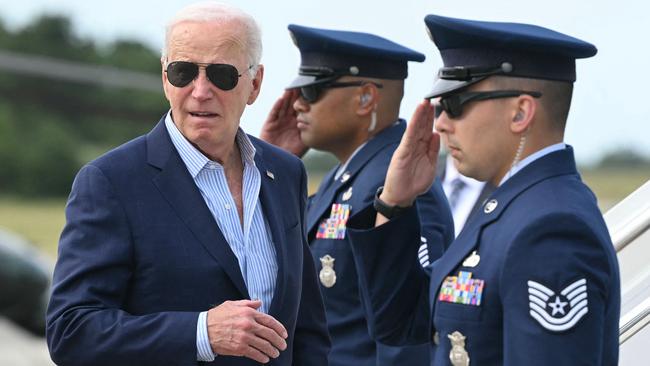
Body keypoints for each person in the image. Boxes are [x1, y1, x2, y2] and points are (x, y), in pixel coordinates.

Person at [45, 2, 330, 365]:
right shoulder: (110, 182)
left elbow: (307, 331)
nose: (200, 91)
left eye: (221, 75)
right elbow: (71, 330)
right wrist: (200, 332)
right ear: (165, 79)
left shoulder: (285, 173)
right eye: (183, 72)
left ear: (255, 83)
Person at [346, 14, 621, 365]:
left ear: (521, 112)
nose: (441, 124)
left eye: (456, 104)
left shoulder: (551, 228)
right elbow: (401, 324)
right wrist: (394, 204)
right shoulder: (513, 207)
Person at [260, 25, 454, 366]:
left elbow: (410, 331)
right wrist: (268, 168)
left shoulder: (399, 184)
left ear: (366, 98)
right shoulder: (343, 177)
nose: (298, 105)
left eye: (313, 89)